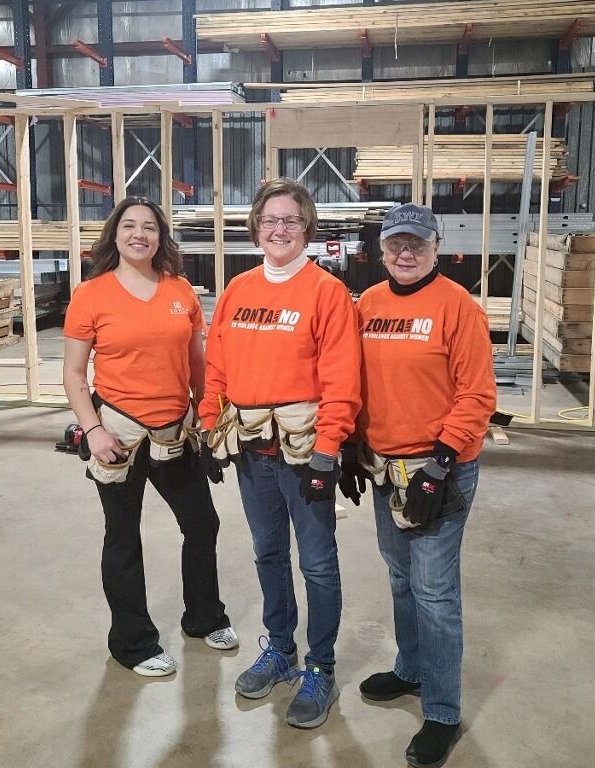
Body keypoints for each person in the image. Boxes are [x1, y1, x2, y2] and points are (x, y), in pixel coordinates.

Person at [198, 178, 361, 729]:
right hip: (251, 452)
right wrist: (209, 427)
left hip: (304, 453)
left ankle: (320, 666)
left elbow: (342, 379)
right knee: (268, 554)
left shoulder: (326, 292)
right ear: (256, 228)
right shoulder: (239, 290)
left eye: (291, 220)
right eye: (271, 220)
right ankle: (281, 651)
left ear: (307, 228)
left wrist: (328, 448)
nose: (280, 229)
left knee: (317, 563)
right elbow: (215, 367)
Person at [339, 203, 496, 767]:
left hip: (438, 472)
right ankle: (410, 668)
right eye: (395, 245)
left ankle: (443, 711)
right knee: (401, 575)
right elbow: (358, 380)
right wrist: (354, 447)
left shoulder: (459, 308)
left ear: (436, 248)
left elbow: (477, 395)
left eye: (417, 245)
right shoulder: (371, 305)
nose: (406, 254)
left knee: (434, 590)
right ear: (381, 251)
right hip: (385, 467)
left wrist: (442, 461)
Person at [63, 196, 237, 678]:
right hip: (117, 434)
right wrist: (93, 430)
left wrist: (208, 415)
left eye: (150, 228)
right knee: (123, 538)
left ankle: (204, 617)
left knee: (202, 524)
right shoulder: (92, 294)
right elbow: (75, 374)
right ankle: (133, 642)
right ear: (114, 235)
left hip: (175, 432)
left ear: (161, 237)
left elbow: (198, 362)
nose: (140, 234)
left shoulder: (180, 289)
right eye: (130, 226)